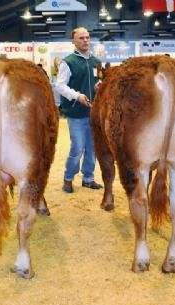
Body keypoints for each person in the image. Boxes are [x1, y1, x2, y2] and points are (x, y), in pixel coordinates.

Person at [55, 27, 103, 193]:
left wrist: (99, 87)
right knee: (77, 148)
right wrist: (77, 96)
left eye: (87, 37)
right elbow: (60, 86)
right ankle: (68, 178)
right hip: (76, 113)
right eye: (81, 38)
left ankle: (88, 178)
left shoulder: (96, 61)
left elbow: (98, 80)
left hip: (94, 113)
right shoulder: (68, 62)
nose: (85, 41)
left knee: (92, 148)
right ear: (73, 41)